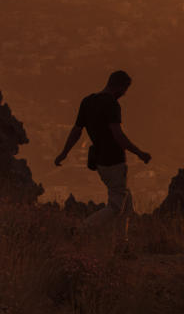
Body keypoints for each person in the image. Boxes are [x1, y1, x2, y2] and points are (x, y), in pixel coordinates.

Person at [54, 70, 151, 245]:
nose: (124, 94)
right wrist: (140, 153)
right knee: (115, 206)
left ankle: (122, 245)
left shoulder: (88, 101)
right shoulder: (112, 104)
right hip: (114, 160)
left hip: (99, 161)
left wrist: (64, 153)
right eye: (124, 89)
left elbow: (76, 131)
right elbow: (117, 135)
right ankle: (79, 230)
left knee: (126, 201)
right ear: (120, 86)